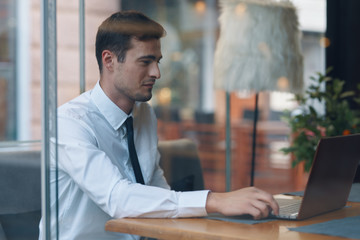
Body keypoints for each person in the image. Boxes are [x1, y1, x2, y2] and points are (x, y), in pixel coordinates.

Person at [39, 10, 279, 240]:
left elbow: (157, 191)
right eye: (145, 61)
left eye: (157, 61)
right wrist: (214, 201)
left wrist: (226, 210)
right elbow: (117, 198)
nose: (156, 72)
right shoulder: (69, 123)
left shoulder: (144, 114)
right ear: (109, 60)